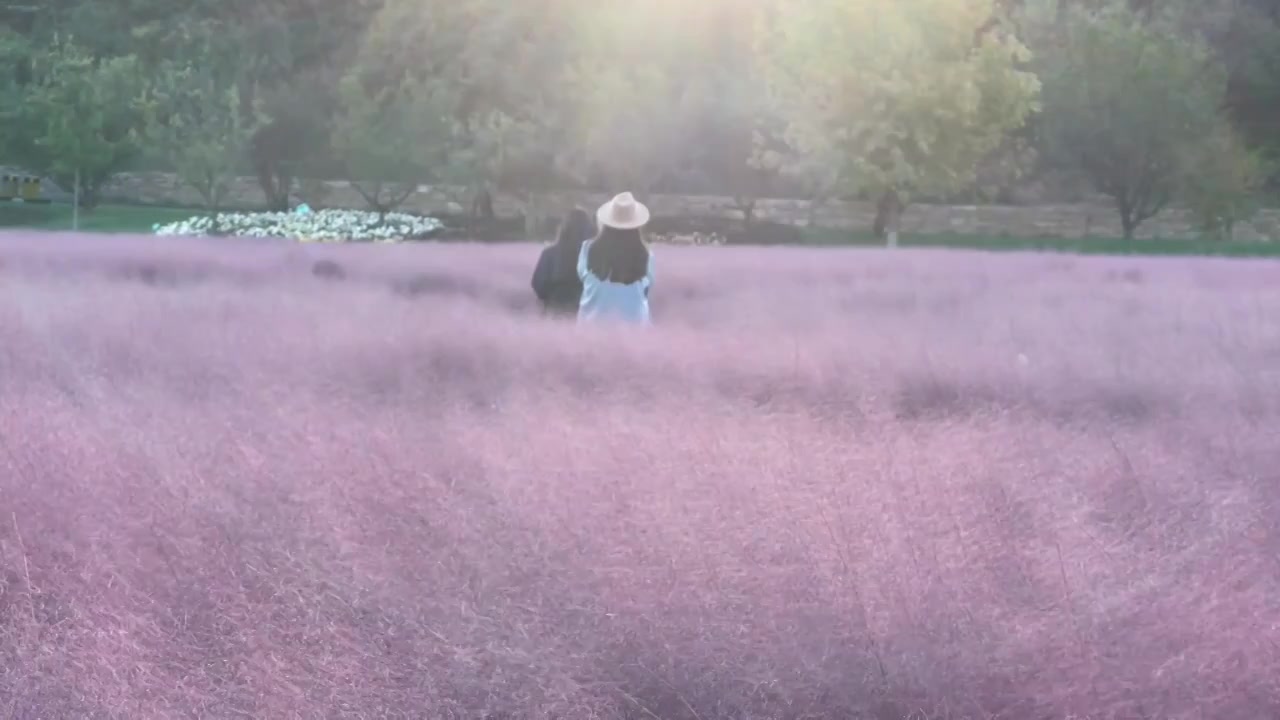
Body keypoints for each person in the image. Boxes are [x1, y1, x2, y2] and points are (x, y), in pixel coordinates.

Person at [577, 192, 655, 325]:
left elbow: (583, 277)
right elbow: (648, 286)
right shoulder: (646, 253)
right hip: (635, 326)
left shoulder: (588, 248)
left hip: (591, 323)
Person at [531, 207, 595, 316]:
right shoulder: (595, 255)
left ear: (564, 228)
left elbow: (538, 284)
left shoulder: (550, 253)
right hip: (586, 311)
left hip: (555, 309)